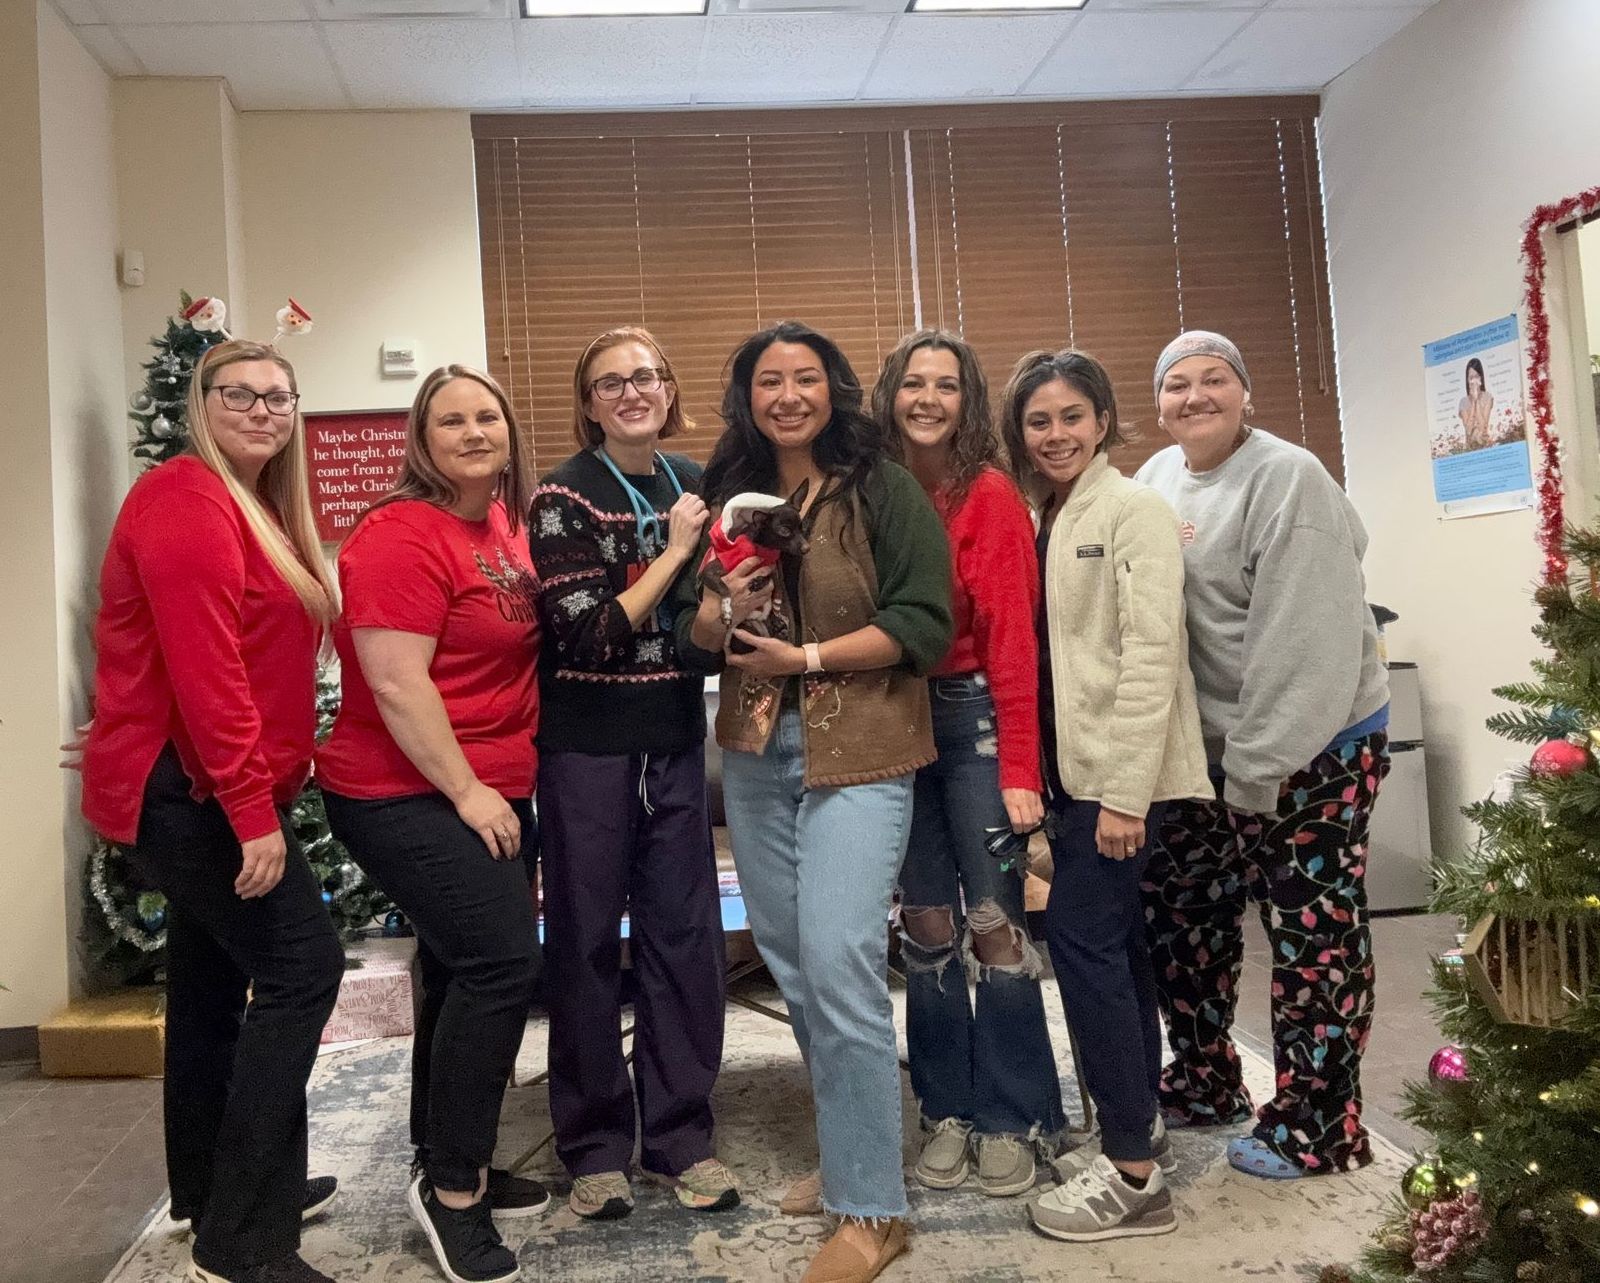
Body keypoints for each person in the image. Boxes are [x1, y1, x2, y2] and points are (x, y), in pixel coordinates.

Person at [675, 320, 952, 1283]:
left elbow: (924, 618)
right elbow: (696, 628)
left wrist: (810, 658)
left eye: (804, 378)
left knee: (839, 961)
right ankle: (851, 1153)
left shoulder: (882, 485)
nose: (787, 395)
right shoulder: (726, 493)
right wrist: (722, 607)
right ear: (746, 398)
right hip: (756, 750)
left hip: (866, 745)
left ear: (833, 388)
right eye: (767, 381)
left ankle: (875, 1211)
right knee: (792, 963)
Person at [80, 340, 346, 1283]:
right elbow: (206, 671)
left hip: (201, 781)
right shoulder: (185, 498)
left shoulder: (257, 506)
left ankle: (207, 1184)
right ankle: (244, 1234)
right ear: (202, 401)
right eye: (241, 392)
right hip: (196, 794)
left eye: (280, 396)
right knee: (303, 970)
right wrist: (251, 809)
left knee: (205, 985)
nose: (264, 409)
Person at [1136, 330, 1391, 1180]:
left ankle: (1319, 1127)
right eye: (1178, 384)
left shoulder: (1289, 479)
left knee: (1311, 939)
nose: (1195, 396)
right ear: (1158, 404)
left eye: (1215, 379)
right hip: (1207, 750)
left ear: (1246, 393)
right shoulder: (1159, 479)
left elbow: (1302, 650)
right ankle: (1207, 1078)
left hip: (1312, 747)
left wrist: (1254, 771)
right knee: (1186, 919)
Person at [318, 365, 545, 1283]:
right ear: (422, 438)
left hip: (492, 779)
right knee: (501, 962)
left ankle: (450, 1155)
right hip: (403, 788)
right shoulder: (398, 534)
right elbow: (396, 684)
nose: (473, 430)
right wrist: (467, 791)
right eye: (450, 419)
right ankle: (454, 1188)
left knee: (458, 969)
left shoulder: (501, 521)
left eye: (488, 413)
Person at [995, 349, 1212, 1243]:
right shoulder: (1048, 513)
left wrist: (1125, 796)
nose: (1055, 434)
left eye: (1072, 416)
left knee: (1083, 949)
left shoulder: (1132, 511)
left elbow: (1151, 655)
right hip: (1074, 777)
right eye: (1039, 420)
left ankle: (1132, 1175)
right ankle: (1141, 1120)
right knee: (1117, 949)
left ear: (1104, 420)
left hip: (1120, 783)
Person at [527, 326, 737, 1220]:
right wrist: (676, 557)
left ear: (668, 386)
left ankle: (682, 1137)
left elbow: (702, 637)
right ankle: (594, 1145)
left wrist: (729, 597)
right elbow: (587, 635)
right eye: (611, 381)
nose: (631, 391)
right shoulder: (559, 498)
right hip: (586, 749)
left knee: (685, 940)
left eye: (646, 376)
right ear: (588, 402)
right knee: (582, 943)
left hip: (677, 739)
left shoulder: (698, 483)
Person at [870, 329, 1064, 1197]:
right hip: (889, 714)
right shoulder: (867, 491)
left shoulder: (985, 493)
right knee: (926, 928)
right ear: (890, 394)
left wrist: (1021, 766)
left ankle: (1015, 1111)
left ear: (969, 400)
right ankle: (944, 1104)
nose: (927, 398)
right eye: (913, 382)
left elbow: (1014, 644)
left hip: (974, 717)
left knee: (994, 922)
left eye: (946, 385)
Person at [1458, 357, 1494, 449]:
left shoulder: (1488, 397)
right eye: (1471, 377)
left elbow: (1483, 427)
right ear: (1467, 380)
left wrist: (1477, 400)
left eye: (1476, 376)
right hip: (1470, 450)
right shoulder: (1463, 402)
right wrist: (1473, 402)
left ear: (1481, 378)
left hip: (1485, 445)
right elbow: (1469, 430)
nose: (1474, 381)